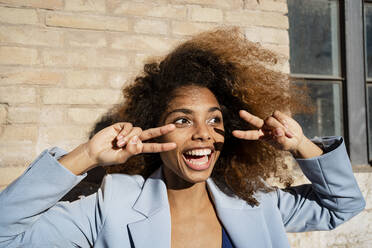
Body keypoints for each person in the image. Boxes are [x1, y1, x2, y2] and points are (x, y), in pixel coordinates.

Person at [0, 28, 365, 248]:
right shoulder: (111, 206)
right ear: (153, 127)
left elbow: (342, 206)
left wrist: (299, 144)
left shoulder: (256, 200)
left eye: (214, 119)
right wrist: (87, 156)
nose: (204, 133)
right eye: (182, 120)